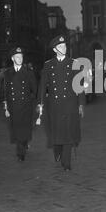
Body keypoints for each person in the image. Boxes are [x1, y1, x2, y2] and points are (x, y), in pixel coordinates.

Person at [37, 35, 85, 171]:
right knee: (57, 132)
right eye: (61, 46)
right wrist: (40, 103)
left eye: (65, 46)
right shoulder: (48, 65)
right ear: (55, 49)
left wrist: (81, 103)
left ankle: (66, 162)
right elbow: (42, 86)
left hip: (70, 104)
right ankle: (57, 149)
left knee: (68, 132)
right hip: (54, 105)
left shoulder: (74, 63)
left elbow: (79, 86)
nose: (64, 48)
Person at [2, 47, 37, 162]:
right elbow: (6, 90)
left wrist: (30, 100)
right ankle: (20, 152)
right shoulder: (7, 73)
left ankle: (24, 143)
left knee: (25, 129)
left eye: (21, 57)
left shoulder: (28, 72)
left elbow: (34, 89)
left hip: (26, 106)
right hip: (13, 106)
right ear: (12, 58)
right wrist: (6, 105)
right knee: (17, 129)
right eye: (17, 57)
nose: (20, 59)